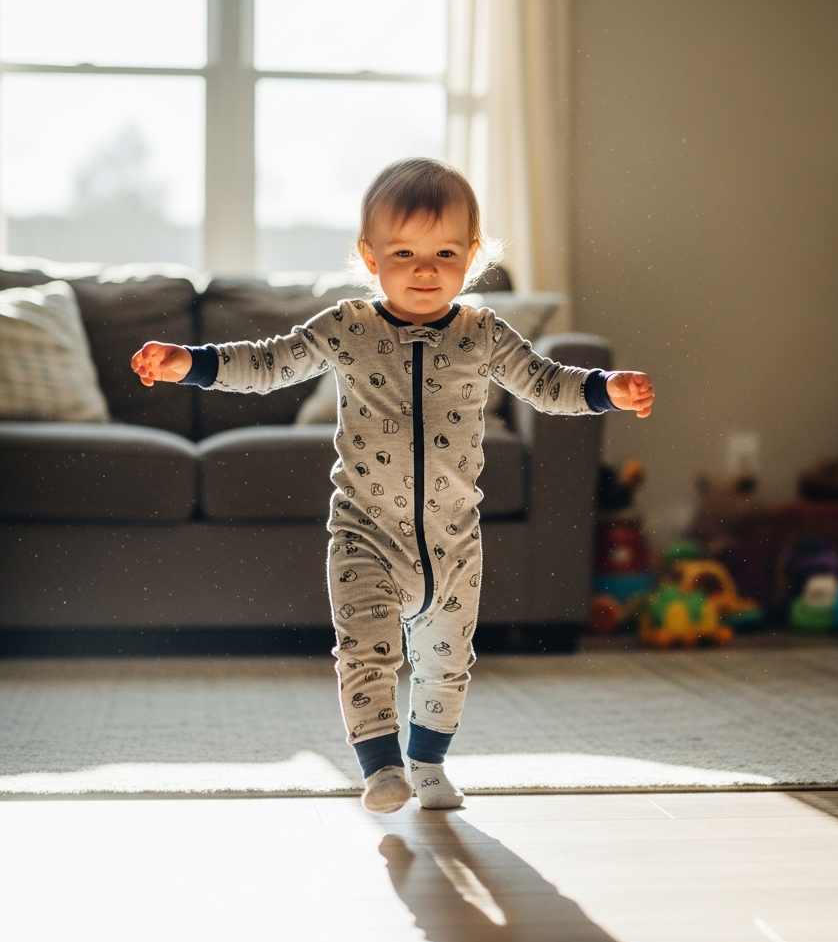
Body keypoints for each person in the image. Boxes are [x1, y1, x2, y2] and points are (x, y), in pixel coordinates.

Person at [131, 158, 655, 814]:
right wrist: (191, 364)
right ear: (369, 256)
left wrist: (606, 390)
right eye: (403, 252)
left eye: (444, 253)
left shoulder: (482, 333)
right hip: (364, 535)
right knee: (365, 652)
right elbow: (268, 363)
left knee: (445, 666)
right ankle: (381, 769)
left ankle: (428, 763)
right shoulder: (348, 327)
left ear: (472, 257)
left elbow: (546, 383)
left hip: (453, 542)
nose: (425, 269)